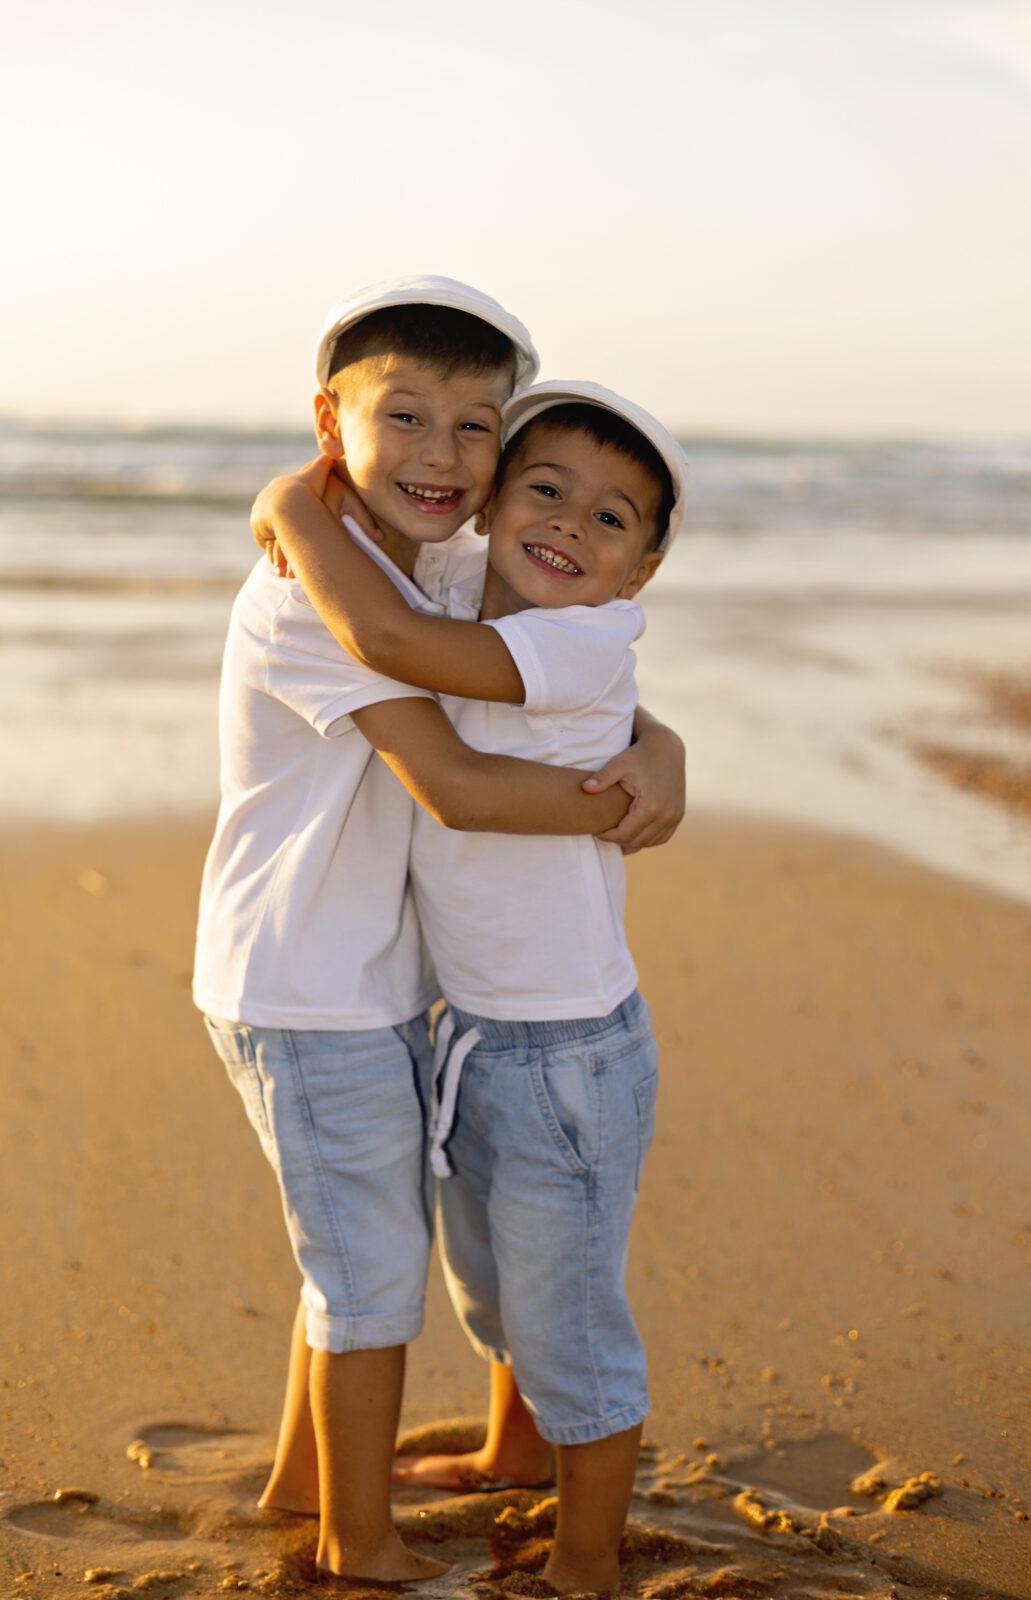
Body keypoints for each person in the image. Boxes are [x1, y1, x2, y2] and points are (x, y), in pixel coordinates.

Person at [195, 278, 686, 1583]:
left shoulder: (454, 563)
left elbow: (562, 655)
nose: (440, 455)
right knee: (371, 1278)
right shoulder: (316, 595)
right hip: (309, 983)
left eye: (477, 429)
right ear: (329, 425)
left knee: (370, 1254)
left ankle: (306, 1486)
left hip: (387, 985)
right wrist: (290, 503)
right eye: (403, 416)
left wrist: (657, 739)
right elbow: (460, 784)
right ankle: (358, 1541)